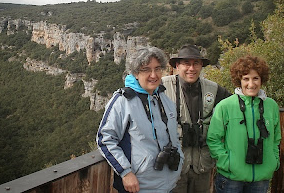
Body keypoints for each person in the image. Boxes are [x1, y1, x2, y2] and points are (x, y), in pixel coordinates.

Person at [97, 46, 183, 193]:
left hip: (169, 184)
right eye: (146, 69)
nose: (153, 75)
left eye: (157, 69)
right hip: (139, 187)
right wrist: (125, 172)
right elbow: (105, 139)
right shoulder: (123, 101)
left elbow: (174, 137)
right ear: (136, 73)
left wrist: (180, 159)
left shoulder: (164, 98)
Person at [161, 44, 231, 193]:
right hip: (174, 166)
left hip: (203, 166)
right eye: (186, 63)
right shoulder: (162, 87)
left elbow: (234, 108)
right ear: (177, 66)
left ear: (201, 66)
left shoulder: (214, 90)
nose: (191, 68)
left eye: (196, 64)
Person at [207, 55, 281, 193]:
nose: (251, 84)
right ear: (239, 80)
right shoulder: (225, 106)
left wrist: (273, 162)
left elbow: (276, 139)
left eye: (255, 78)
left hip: (261, 178)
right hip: (231, 179)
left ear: (262, 79)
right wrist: (227, 163)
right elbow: (213, 139)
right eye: (246, 79)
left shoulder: (271, 106)